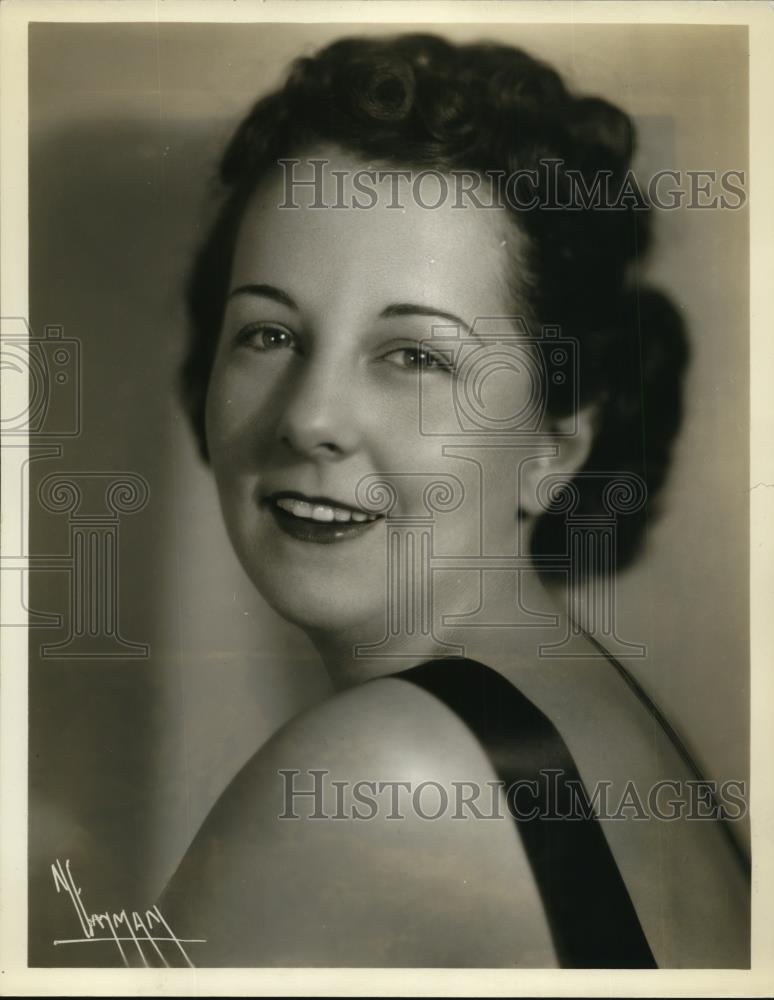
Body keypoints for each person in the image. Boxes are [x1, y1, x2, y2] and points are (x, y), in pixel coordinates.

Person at [160, 33, 749, 968]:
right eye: (268, 333)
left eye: (417, 356)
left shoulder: (381, 771)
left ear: (555, 447)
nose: (309, 417)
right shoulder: (589, 709)